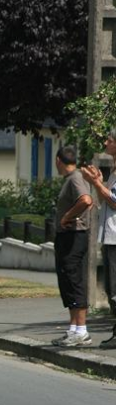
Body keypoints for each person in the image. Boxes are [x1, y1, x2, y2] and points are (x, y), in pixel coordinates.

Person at [51, 146, 93, 347]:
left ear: (58, 160)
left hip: (74, 236)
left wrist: (68, 216)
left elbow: (86, 200)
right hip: (67, 237)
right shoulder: (72, 179)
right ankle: (74, 329)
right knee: (67, 280)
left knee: (74, 280)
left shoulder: (75, 178)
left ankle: (82, 330)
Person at [81, 128, 116, 349]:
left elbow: (114, 201)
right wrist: (101, 182)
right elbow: (107, 204)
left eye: (110, 139)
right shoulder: (113, 171)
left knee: (115, 290)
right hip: (110, 235)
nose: (106, 142)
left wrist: (96, 183)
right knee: (112, 289)